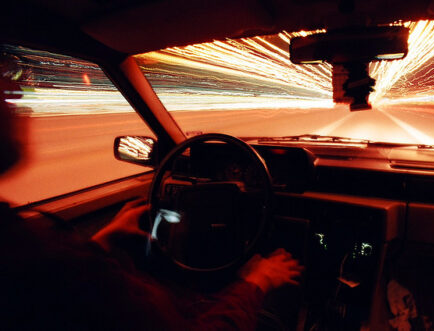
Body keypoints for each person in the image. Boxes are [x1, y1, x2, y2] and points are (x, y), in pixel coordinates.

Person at [0, 57, 303, 330]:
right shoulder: (27, 252)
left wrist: (102, 241)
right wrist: (257, 280)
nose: (15, 95)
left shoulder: (24, 246)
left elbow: (62, 287)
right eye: (4, 81)